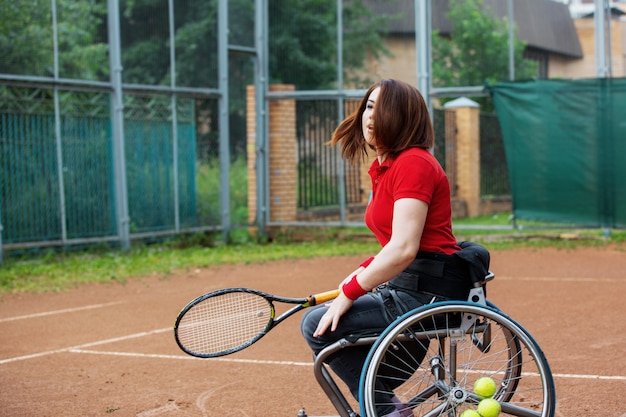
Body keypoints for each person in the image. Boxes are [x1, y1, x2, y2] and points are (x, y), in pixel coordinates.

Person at [300, 79, 489, 417]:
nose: (371, 116)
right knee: (338, 338)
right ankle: (382, 405)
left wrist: (350, 292)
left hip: (427, 292)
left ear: (405, 119)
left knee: (315, 324)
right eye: (369, 106)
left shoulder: (413, 163)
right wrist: (359, 273)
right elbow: (397, 244)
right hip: (413, 285)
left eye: (383, 108)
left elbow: (403, 249)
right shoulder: (388, 167)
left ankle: (387, 410)